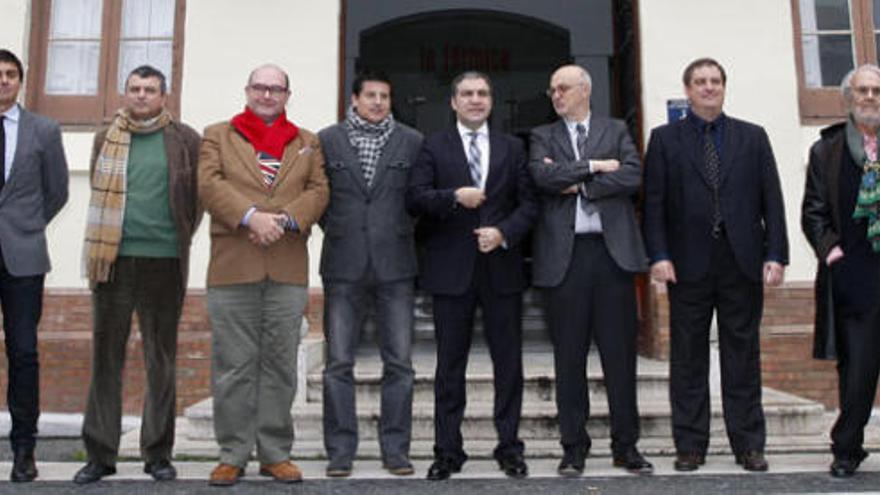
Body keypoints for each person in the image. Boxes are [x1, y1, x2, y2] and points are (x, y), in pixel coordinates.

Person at [643, 57, 788, 472]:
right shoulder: (665, 139)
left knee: (742, 356)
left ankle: (749, 446)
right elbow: (653, 206)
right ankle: (690, 446)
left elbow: (771, 202)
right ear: (687, 90)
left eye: (715, 81)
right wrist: (658, 255)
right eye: (700, 82)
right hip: (686, 265)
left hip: (742, 262)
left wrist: (775, 254)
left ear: (724, 87)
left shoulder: (753, 137)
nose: (708, 88)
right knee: (687, 359)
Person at [198, 64, 329, 486]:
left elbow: (319, 190)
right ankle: (232, 453)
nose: (267, 95)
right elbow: (209, 183)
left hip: (287, 267)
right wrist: (251, 218)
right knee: (234, 366)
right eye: (260, 87)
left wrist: (286, 220)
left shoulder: (307, 142)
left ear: (288, 95)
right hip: (233, 268)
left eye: (276, 89)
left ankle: (275, 453)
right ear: (247, 90)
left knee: (279, 367)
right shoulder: (218, 134)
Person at [407, 71, 538, 481]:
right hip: (451, 271)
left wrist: (504, 233)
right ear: (453, 102)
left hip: (501, 268)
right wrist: (453, 198)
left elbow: (530, 205)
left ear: (491, 101)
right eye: (467, 94)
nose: (476, 100)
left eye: (483, 93)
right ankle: (447, 451)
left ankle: (510, 447)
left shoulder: (513, 147)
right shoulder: (433, 145)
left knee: (508, 365)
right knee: (449, 366)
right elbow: (415, 198)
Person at [74, 65, 201, 484]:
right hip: (113, 260)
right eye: (135, 88)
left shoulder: (184, 139)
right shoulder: (104, 138)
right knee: (106, 357)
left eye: (150, 89)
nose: (142, 95)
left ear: (164, 96)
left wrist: (176, 236)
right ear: (125, 93)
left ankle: (158, 453)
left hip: (164, 261)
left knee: (160, 358)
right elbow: (98, 189)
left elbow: (194, 200)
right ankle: (100, 453)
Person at [529, 64, 652, 476]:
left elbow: (633, 175)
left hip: (612, 256)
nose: (556, 95)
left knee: (620, 359)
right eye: (552, 90)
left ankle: (626, 446)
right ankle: (573, 448)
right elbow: (543, 177)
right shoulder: (542, 135)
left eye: (562, 88)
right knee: (569, 359)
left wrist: (579, 182)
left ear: (585, 90)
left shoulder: (615, 129)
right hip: (565, 260)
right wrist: (598, 167)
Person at [317, 70, 422, 477]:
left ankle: (396, 450)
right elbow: (320, 197)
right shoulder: (327, 140)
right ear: (355, 99)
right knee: (338, 364)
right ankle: (340, 451)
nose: (378, 102)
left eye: (385, 95)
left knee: (399, 364)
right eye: (371, 95)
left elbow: (418, 198)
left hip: (396, 265)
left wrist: (395, 232)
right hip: (343, 265)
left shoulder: (411, 141)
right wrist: (345, 231)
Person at [802, 64, 880, 478]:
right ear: (848, 98)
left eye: (876, 91)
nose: (870, 97)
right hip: (853, 275)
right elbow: (812, 211)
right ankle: (847, 447)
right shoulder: (827, 150)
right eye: (862, 90)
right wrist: (831, 253)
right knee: (859, 370)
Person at [0, 49, 68, 482]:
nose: (3, 80)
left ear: (20, 82)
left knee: (23, 352)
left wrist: (24, 226)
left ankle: (24, 449)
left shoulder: (43, 129)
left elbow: (57, 191)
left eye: (10, 74)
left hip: (22, 258)